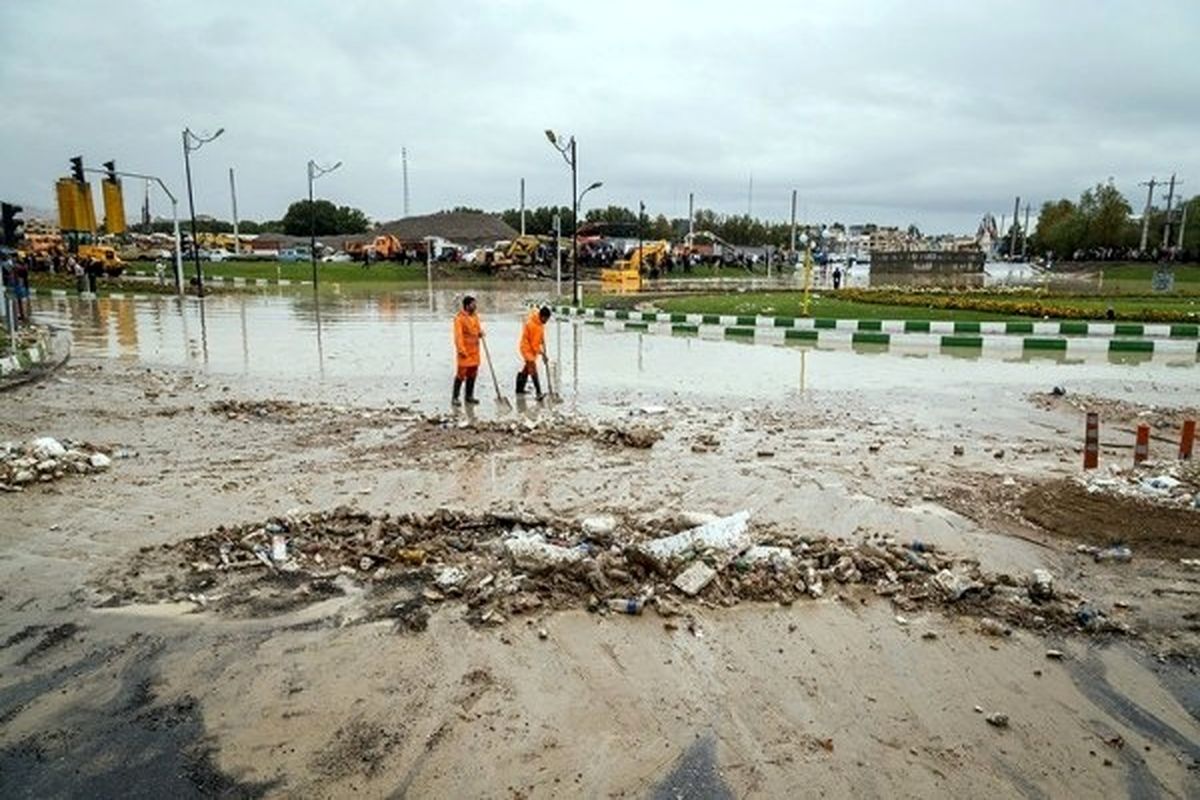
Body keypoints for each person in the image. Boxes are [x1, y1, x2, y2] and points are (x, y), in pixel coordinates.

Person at [452, 295, 483, 405]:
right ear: (467, 305)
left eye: (475, 304)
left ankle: (469, 396)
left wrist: (480, 333)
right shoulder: (459, 318)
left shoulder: (475, 316)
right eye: (473, 304)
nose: (475, 306)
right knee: (461, 374)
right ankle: (455, 397)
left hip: (475, 351)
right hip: (464, 351)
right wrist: (461, 350)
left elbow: (478, 329)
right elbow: (458, 336)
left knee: (472, 374)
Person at [516, 305, 552, 400]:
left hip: (531, 348)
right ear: (542, 316)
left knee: (527, 369)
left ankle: (519, 389)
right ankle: (538, 392)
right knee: (532, 368)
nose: (547, 321)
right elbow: (534, 345)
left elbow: (539, 338)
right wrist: (543, 354)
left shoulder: (539, 323)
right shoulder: (533, 325)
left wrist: (542, 340)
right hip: (527, 348)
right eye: (547, 319)